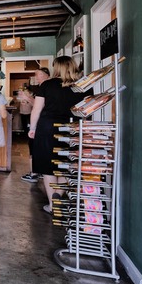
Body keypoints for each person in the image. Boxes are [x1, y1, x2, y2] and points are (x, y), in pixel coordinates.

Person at [28, 56, 92, 213]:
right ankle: (59, 193)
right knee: (66, 163)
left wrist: (33, 127)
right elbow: (87, 111)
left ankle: (52, 204)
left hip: (48, 127)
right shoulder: (84, 86)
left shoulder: (47, 85)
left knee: (47, 165)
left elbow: (36, 109)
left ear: (57, 67)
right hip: (72, 127)